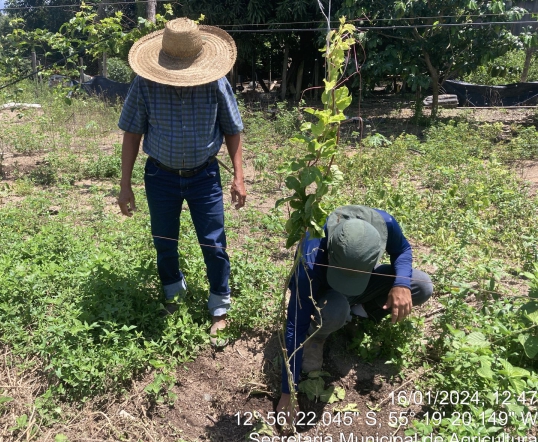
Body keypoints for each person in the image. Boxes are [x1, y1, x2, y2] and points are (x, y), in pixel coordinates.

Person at [117, 18, 246, 346]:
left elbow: (232, 129)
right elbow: (132, 134)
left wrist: (239, 177)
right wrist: (125, 185)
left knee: (214, 242)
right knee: (164, 240)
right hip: (160, 176)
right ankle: (173, 294)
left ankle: (219, 306)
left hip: (204, 176)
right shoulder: (145, 84)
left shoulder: (216, 83)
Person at [277, 205, 433, 414]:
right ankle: (317, 336)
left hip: (363, 283)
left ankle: (358, 314)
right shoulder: (311, 256)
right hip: (326, 294)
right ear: (330, 253)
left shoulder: (385, 224)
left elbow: (402, 249)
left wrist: (401, 284)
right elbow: (295, 325)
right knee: (336, 309)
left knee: (421, 285)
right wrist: (288, 392)